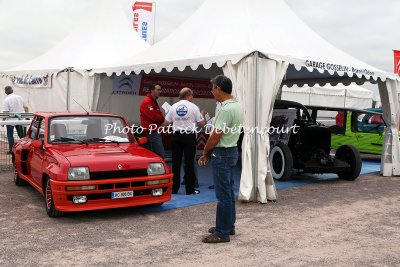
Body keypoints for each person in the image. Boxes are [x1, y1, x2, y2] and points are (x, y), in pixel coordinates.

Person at [198, 75, 244, 243]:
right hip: (231, 151)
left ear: (218, 88)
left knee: (223, 195)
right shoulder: (236, 105)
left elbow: (215, 136)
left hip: (222, 152)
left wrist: (205, 151)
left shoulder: (225, 109)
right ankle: (227, 226)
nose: (212, 91)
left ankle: (222, 232)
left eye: (212, 88)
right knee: (228, 192)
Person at [164, 88, 206, 195]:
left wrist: (178, 120)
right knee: (189, 163)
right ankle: (190, 189)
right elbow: (202, 123)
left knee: (176, 163)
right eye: (192, 95)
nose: (193, 97)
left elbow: (166, 122)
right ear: (188, 96)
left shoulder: (173, 107)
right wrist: (201, 114)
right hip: (189, 136)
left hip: (176, 136)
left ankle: (174, 189)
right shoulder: (194, 107)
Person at [139, 83, 165, 158]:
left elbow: (161, 118)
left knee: (157, 155)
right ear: (152, 90)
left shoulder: (153, 102)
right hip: (151, 132)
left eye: (160, 90)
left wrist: (160, 118)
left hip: (155, 132)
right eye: (158, 90)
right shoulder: (147, 102)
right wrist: (160, 118)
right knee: (160, 155)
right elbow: (154, 118)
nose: (160, 92)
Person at [2, 86, 29, 154]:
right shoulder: (19, 97)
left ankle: (11, 150)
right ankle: (23, 148)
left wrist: (3, 121)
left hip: (10, 121)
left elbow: (5, 113)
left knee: (10, 135)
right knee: (21, 135)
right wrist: (27, 116)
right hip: (19, 120)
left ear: (5, 92)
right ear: (12, 90)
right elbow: (26, 107)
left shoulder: (6, 100)